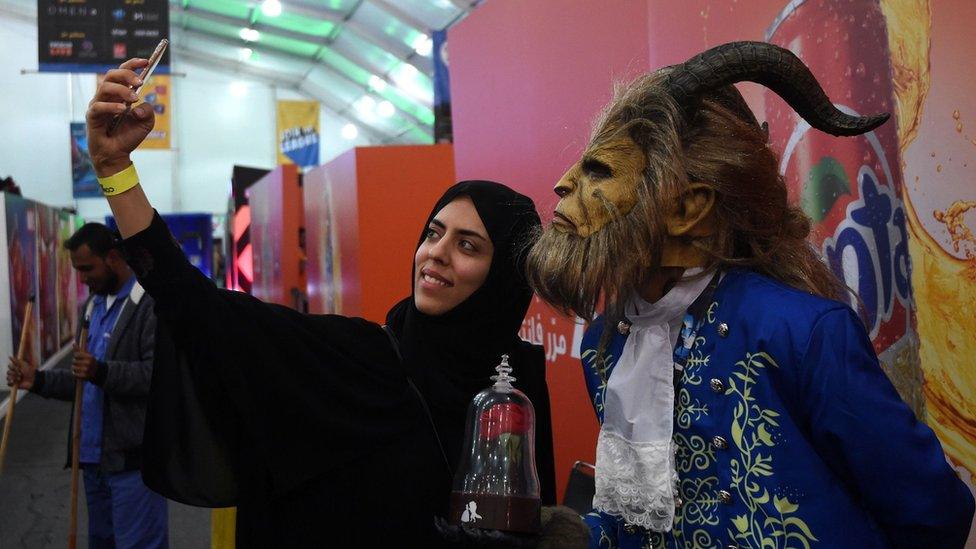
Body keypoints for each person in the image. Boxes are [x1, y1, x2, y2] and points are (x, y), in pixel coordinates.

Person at [83, 57, 555, 546]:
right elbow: (195, 304)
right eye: (433, 233)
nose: (436, 253)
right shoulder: (362, 363)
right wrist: (115, 170)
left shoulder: (516, 385)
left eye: (468, 245)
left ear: (505, 278)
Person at [524, 41, 975, 548]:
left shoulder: (801, 334)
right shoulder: (607, 346)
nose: (564, 185)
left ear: (687, 208)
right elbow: (645, 524)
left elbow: (934, 515)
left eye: (600, 172)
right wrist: (575, 536)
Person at [7, 222, 168, 548]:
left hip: (133, 465)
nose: (81, 278)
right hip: (93, 461)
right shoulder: (92, 307)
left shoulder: (150, 305)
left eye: (87, 268)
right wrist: (36, 380)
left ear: (112, 257)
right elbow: (86, 382)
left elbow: (157, 378)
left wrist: (102, 372)